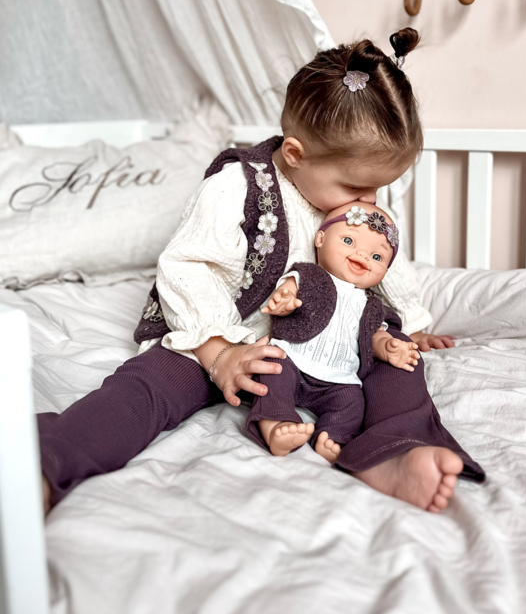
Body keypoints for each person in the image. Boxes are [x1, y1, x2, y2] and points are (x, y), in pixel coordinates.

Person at [38, 28, 485, 517]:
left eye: (378, 190)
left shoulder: (350, 200)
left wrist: (411, 325)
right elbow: (189, 268)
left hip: (329, 343)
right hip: (229, 336)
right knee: (147, 388)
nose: (368, 204)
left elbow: (381, 262)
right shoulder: (237, 186)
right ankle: (47, 462)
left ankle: (393, 453)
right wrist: (219, 354)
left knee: (397, 364)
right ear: (295, 154)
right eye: (357, 189)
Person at [247, 201, 421, 463]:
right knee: (271, 371)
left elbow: (372, 336)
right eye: (349, 241)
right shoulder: (308, 274)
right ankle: (275, 426)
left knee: (353, 402)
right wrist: (285, 300)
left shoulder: (371, 305)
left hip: (338, 379)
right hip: (292, 359)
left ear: (385, 270)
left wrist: (387, 347)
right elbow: (289, 289)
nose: (362, 255)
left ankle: (332, 436)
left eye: (376, 257)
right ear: (320, 239)